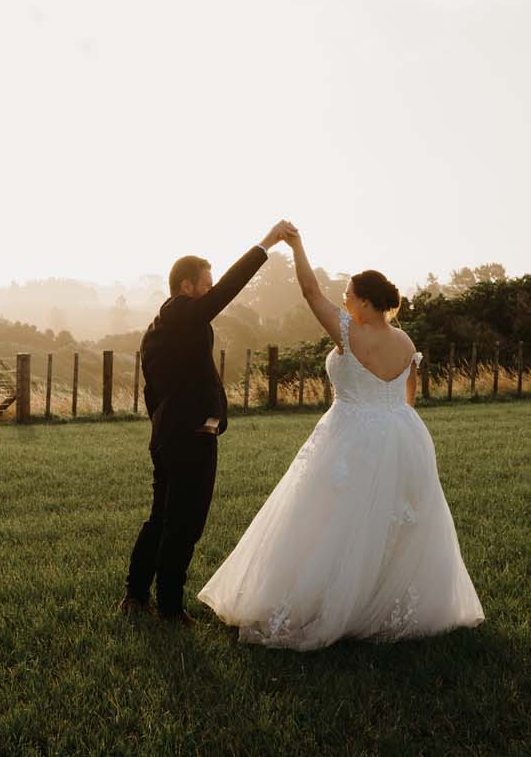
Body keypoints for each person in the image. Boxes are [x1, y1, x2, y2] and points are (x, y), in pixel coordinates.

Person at [197, 228, 485, 649]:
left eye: (349, 295)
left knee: (330, 518)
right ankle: (379, 599)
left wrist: (295, 246)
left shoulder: (351, 333)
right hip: (403, 433)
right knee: (389, 522)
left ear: (366, 303)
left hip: (350, 432)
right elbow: (409, 396)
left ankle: (334, 604)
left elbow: (311, 291)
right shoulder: (406, 341)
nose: (344, 300)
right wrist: (395, 427)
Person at [120, 220, 297, 623]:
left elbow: (154, 392)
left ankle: (135, 595)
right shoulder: (184, 315)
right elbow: (227, 290)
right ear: (186, 288)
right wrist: (266, 244)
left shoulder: (158, 329)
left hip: (168, 436)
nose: (210, 291)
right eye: (204, 285)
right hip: (190, 437)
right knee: (184, 523)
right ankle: (168, 606)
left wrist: (176, 424)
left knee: (161, 517)